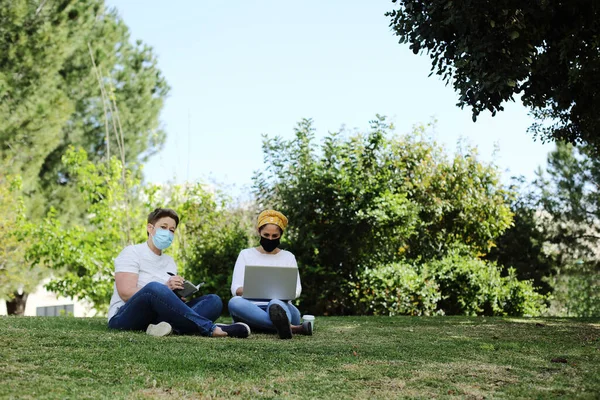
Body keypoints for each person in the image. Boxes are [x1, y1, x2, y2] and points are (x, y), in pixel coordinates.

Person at [108, 208, 250, 338]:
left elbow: (166, 299)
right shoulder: (132, 252)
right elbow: (125, 293)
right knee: (153, 288)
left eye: (172, 230)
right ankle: (212, 329)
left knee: (214, 301)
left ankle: (166, 328)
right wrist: (165, 288)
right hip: (124, 316)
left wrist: (176, 295)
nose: (168, 233)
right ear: (150, 228)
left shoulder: (170, 262)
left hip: (161, 318)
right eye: (163, 227)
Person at [228, 210, 312, 339]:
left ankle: (264, 323)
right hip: (250, 307)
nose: (270, 239)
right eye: (266, 235)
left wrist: (277, 294)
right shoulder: (245, 254)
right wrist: (259, 289)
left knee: (275, 302)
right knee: (234, 302)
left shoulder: (288, 257)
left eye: (274, 236)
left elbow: (296, 290)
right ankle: (291, 328)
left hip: (282, 306)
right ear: (259, 232)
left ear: (280, 235)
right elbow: (236, 289)